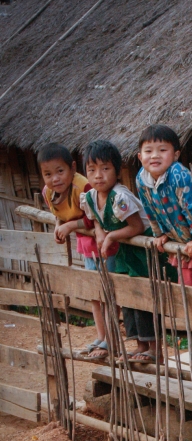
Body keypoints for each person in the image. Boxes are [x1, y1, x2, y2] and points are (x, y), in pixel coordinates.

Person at [136, 124, 192, 361]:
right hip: (182, 248)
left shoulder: (178, 174)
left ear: (175, 154)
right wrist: (161, 234)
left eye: (162, 150)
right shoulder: (142, 179)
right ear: (139, 156)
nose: (154, 156)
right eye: (148, 151)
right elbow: (151, 210)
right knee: (189, 300)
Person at [80, 140, 175, 363]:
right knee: (128, 297)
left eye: (105, 169)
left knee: (145, 297)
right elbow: (95, 219)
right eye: (91, 170)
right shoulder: (91, 197)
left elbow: (137, 227)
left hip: (144, 252)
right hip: (125, 253)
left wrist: (111, 235)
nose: (98, 176)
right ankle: (139, 345)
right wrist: (101, 231)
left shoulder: (120, 197)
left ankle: (154, 348)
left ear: (117, 170)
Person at [38, 142, 115, 358]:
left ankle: (111, 338)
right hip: (85, 245)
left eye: (60, 171)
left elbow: (94, 220)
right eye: (48, 174)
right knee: (94, 293)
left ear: (72, 168)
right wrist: (57, 226)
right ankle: (101, 336)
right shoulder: (49, 192)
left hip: (104, 244)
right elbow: (59, 213)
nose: (55, 179)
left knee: (109, 291)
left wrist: (70, 226)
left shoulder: (84, 187)